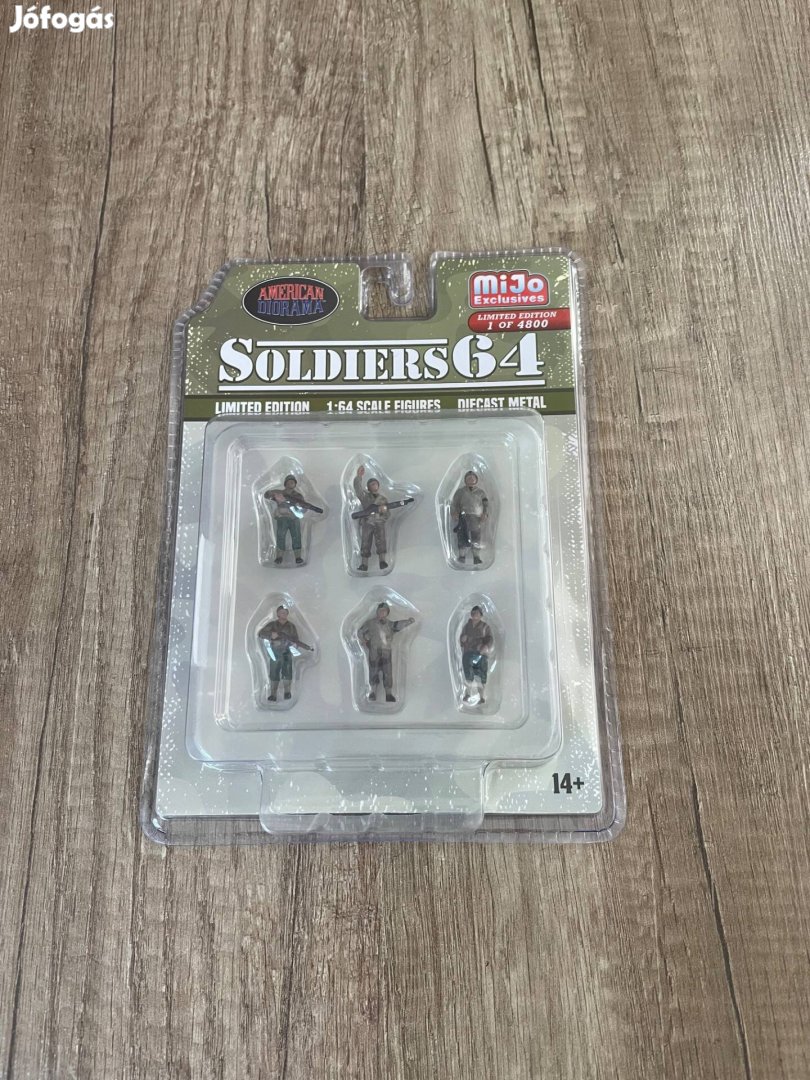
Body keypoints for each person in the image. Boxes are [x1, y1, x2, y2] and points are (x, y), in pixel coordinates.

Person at [359, 602, 414, 703]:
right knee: (373, 671)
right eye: (380, 610)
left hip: (386, 652)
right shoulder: (370, 623)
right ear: (377, 611)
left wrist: (408, 621)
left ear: (387, 613)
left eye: (384, 611)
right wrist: (364, 640)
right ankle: (373, 692)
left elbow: (398, 624)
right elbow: (360, 631)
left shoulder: (389, 624)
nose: (382, 612)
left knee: (388, 672)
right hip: (374, 651)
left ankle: (388, 694)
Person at [257, 605, 310, 702]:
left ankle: (287, 693)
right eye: (282, 612)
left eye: (285, 612)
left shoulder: (291, 626)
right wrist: (271, 635)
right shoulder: (272, 624)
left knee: (287, 673)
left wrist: (295, 645)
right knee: (274, 673)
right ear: (277, 614)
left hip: (287, 652)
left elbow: (296, 639)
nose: (284, 614)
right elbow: (261, 633)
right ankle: (273, 694)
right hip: (275, 653)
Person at [265, 474, 320, 565]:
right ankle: (279, 556)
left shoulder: (298, 496)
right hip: (282, 518)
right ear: (285, 484)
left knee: (296, 536)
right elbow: (267, 495)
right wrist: (271, 494)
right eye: (289, 482)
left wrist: (300, 509)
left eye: (293, 482)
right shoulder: (280, 493)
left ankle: (298, 557)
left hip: (294, 518)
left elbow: (304, 506)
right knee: (280, 536)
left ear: (295, 484)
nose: (291, 483)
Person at [353, 465, 390, 571]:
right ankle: (364, 564)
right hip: (367, 522)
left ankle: (382, 561)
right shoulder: (365, 497)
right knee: (365, 542)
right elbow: (358, 490)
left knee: (381, 541)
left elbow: (388, 514)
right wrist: (359, 477)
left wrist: (383, 513)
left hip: (379, 522)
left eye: (375, 484)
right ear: (368, 488)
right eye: (371, 484)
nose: (374, 485)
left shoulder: (383, 499)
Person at [450, 470, 489, 565]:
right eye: (469, 478)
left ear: (476, 480)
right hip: (463, 517)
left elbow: (485, 504)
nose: (471, 480)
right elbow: (454, 503)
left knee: (476, 536)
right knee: (462, 536)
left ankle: (476, 556)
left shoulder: (480, 492)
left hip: (476, 517)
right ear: (465, 480)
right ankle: (462, 556)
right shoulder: (460, 492)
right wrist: (454, 513)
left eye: (473, 478)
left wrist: (485, 514)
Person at [459, 605, 494, 705]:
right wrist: (463, 639)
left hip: (480, 653)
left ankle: (482, 696)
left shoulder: (485, 627)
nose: (475, 615)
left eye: (477, 613)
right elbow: (462, 638)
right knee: (468, 675)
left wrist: (486, 646)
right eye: (473, 613)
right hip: (468, 652)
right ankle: (467, 694)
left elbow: (490, 638)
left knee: (481, 675)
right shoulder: (467, 626)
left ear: (481, 615)